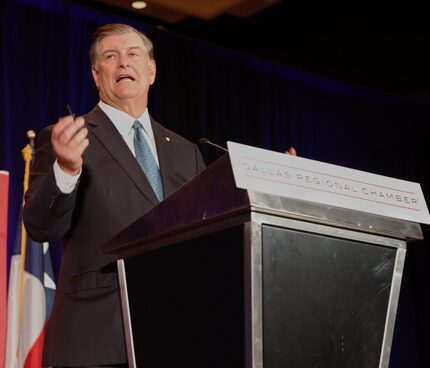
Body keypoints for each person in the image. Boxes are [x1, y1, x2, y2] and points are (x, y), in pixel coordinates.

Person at [23, 23, 206, 367]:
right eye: (111, 56)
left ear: (151, 70)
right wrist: (67, 169)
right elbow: (40, 226)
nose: (123, 63)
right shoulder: (68, 139)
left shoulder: (186, 152)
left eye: (133, 54)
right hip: (95, 340)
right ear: (96, 74)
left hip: (175, 335)